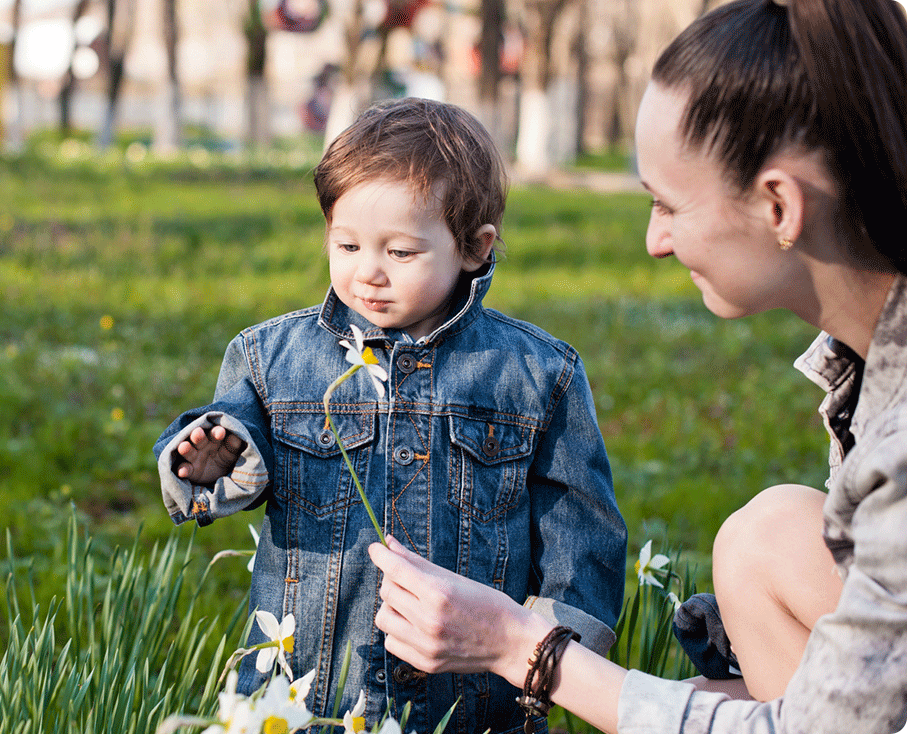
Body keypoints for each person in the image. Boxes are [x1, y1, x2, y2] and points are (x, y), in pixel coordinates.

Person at [368, 0, 907, 731]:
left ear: (779, 205)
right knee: (769, 535)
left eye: (668, 206)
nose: (654, 241)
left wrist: (523, 647)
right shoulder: (869, 366)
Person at [153, 97, 627, 733]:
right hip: (305, 702)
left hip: (472, 706)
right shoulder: (271, 359)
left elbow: (580, 531)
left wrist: (548, 659)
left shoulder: (537, 375)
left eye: (401, 253)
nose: (367, 273)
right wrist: (214, 459)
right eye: (346, 244)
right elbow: (229, 463)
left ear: (474, 247)